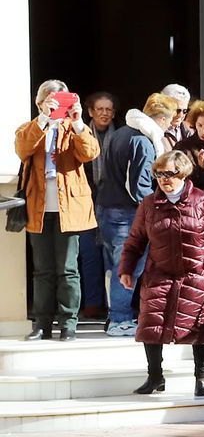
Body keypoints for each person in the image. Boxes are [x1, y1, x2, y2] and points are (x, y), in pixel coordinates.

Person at [119, 151, 204, 397]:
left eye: (169, 174)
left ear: (182, 173)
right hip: (158, 273)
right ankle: (155, 377)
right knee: (150, 324)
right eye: (159, 174)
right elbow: (135, 240)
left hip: (197, 275)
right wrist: (126, 268)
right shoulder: (149, 204)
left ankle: (201, 378)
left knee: (199, 328)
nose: (163, 179)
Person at [16, 81, 100, 342]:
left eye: (59, 100)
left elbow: (90, 153)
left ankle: (68, 323)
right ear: (39, 103)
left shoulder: (73, 127)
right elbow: (22, 149)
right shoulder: (30, 128)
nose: (54, 105)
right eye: (49, 100)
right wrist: (43, 119)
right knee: (42, 270)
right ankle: (41, 324)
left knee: (67, 269)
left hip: (69, 208)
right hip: (38, 207)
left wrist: (77, 122)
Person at [97, 105, 171, 337]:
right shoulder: (142, 141)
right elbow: (138, 186)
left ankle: (115, 316)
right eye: (168, 123)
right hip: (126, 213)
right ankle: (120, 319)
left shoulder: (120, 132)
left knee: (114, 265)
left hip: (106, 207)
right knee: (128, 266)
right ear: (161, 119)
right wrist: (152, 211)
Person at [77, 91, 119, 321]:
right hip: (85, 202)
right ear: (90, 112)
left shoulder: (122, 135)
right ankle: (92, 304)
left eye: (109, 109)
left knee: (113, 255)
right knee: (89, 253)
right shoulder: (78, 133)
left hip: (113, 201)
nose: (104, 113)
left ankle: (113, 305)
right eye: (99, 109)